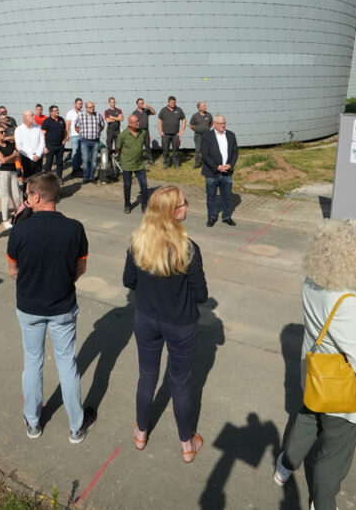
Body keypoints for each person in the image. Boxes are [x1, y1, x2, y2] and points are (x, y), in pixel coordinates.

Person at [274, 219, 356, 510]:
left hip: (315, 373)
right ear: (351, 255)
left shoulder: (314, 279)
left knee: (308, 418)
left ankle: (285, 466)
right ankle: (321, 503)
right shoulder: (345, 301)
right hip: (341, 391)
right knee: (333, 456)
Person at [7, 172, 96, 443]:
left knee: (32, 362)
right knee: (67, 363)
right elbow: (81, 267)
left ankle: (33, 423)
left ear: (36, 196)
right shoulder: (74, 228)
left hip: (29, 307)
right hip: (63, 307)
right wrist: (60, 282)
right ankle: (76, 426)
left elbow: (13, 271)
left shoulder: (20, 230)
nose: (25, 200)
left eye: (27, 195)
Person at [123, 185, 208, 462]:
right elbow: (201, 294)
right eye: (183, 203)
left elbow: (129, 281)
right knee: (180, 383)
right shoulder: (188, 248)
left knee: (147, 375)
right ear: (173, 212)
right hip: (181, 325)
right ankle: (187, 444)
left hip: (146, 319)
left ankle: (140, 433)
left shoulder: (137, 241)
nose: (187, 206)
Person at [201, 115, 238, 227]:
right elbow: (205, 155)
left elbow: (235, 152)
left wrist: (230, 165)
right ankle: (212, 216)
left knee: (226, 196)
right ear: (214, 124)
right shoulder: (207, 136)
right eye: (221, 123)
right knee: (211, 196)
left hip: (227, 172)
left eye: (224, 123)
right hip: (212, 173)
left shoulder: (231, 135)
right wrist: (216, 167)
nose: (223, 125)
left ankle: (226, 217)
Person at [116, 114, 149, 214]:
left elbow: (143, 144)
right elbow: (118, 148)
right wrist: (125, 157)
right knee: (127, 185)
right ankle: (127, 205)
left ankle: (144, 206)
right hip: (127, 164)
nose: (138, 123)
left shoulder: (142, 133)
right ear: (130, 124)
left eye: (138, 121)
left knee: (144, 185)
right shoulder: (123, 135)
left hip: (139, 163)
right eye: (136, 122)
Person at [0, 124, 21, 229]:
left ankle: (19, 215)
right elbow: (2, 160)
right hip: (1, 173)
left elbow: (16, 158)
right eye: (1, 132)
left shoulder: (9, 143)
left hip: (12, 171)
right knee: (5, 197)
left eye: (4, 132)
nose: (4, 134)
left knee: (16, 196)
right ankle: (5, 220)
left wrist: (8, 158)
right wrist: (12, 156)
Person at [15, 110, 45, 190]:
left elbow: (42, 142)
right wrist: (31, 156)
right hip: (27, 158)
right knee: (28, 179)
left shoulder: (37, 127)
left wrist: (38, 154)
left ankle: (37, 198)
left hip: (38, 157)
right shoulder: (19, 130)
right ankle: (26, 198)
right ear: (25, 117)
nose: (34, 116)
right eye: (31, 115)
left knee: (38, 179)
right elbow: (19, 147)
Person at [75, 101, 104, 183]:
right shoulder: (81, 116)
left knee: (94, 161)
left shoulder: (98, 115)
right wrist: (81, 133)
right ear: (86, 108)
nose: (92, 108)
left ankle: (91, 177)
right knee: (85, 159)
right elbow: (76, 126)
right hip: (85, 141)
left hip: (95, 141)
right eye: (90, 107)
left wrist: (97, 132)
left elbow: (102, 126)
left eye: (93, 107)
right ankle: (86, 177)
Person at [158, 96, 187, 168]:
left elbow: (184, 120)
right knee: (165, 150)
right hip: (165, 134)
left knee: (176, 150)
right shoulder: (163, 110)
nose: (173, 103)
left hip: (175, 134)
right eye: (172, 102)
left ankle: (176, 164)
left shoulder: (179, 110)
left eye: (174, 102)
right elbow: (159, 120)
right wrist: (160, 131)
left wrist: (182, 131)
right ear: (168, 102)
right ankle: (166, 163)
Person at [41, 105, 68, 180]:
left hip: (60, 146)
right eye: (55, 110)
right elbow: (43, 135)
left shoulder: (61, 119)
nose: (57, 112)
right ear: (51, 112)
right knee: (49, 163)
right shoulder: (47, 121)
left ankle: (59, 178)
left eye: (58, 110)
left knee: (59, 163)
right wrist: (45, 146)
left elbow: (65, 130)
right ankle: (47, 179)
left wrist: (65, 139)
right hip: (50, 146)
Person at [129, 98, 157, 165]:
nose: (141, 105)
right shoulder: (134, 113)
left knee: (147, 145)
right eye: (140, 103)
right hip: (138, 131)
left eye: (142, 103)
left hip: (146, 130)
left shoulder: (146, 111)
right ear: (137, 104)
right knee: (139, 146)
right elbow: (132, 122)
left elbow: (154, 112)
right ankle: (139, 159)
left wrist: (148, 107)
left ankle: (150, 158)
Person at [189, 102, 214, 169]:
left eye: (205, 106)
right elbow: (191, 125)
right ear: (199, 108)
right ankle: (197, 164)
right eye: (204, 106)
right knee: (198, 150)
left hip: (207, 136)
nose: (205, 107)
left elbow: (211, 124)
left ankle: (208, 164)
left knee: (207, 150)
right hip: (198, 135)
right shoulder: (195, 116)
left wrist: (206, 129)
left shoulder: (209, 115)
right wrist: (197, 129)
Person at [65, 98, 84, 175]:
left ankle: (79, 167)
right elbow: (67, 124)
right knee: (75, 152)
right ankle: (74, 169)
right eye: (79, 104)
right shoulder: (70, 113)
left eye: (81, 104)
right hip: (74, 135)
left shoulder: (83, 113)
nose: (80, 105)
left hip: (82, 135)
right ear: (75, 104)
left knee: (81, 152)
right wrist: (67, 135)